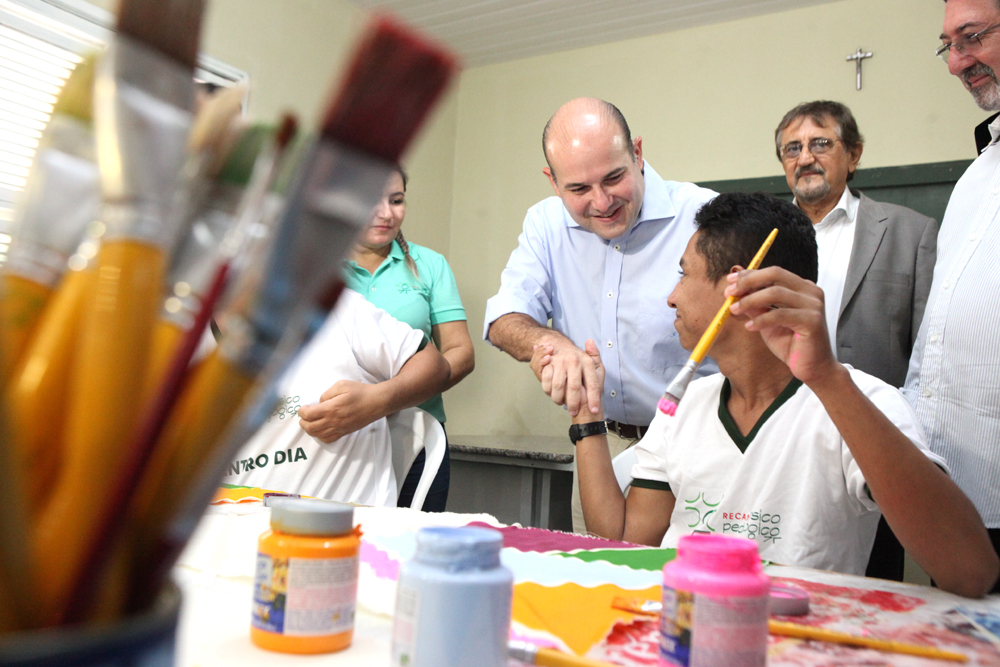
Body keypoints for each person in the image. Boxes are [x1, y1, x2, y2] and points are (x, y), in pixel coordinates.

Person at [544, 192, 998, 598]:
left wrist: (825, 376)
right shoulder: (686, 404)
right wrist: (587, 415)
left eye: (683, 274)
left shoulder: (862, 400)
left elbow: (970, 572)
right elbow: (626, 543)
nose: (671, 297)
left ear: (736, 287)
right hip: (680, 631)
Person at [484, 97, 716, 533]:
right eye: (578, 189)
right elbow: (503, 319)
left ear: (638, 153)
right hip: (598, 445)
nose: (602, 201)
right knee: (602, 577)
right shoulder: (545, 224)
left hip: (695, 447)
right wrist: (550, 343)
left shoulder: (702, 216)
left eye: (614, 177)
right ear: (552, 182)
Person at [775, 101, 939, 582]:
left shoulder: (911, 232)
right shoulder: (757, 236)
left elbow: (927, 356)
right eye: (792, 148)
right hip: (780, 442)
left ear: (854, 153)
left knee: (872, 581)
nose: (805, 157)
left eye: (821, 143)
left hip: (874, 440)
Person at [904, 0, 1000, 594]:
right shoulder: (978, 171)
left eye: (971, 38)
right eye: (949, 45)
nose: (956, 62)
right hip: (958, 495)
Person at [227, 289, 450, 506]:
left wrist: (376, 402)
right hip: (225, 527)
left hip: (344, 528)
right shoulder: (196, 343)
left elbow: (434, 367)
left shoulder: (338, 309)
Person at [344, 168, 475, 512]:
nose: (386, 213)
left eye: (396, 200)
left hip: (419, 435)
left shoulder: (430, 265)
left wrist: (396, 393)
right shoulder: (319, 267)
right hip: (342, 438)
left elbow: (461, 352)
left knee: (413, 549)